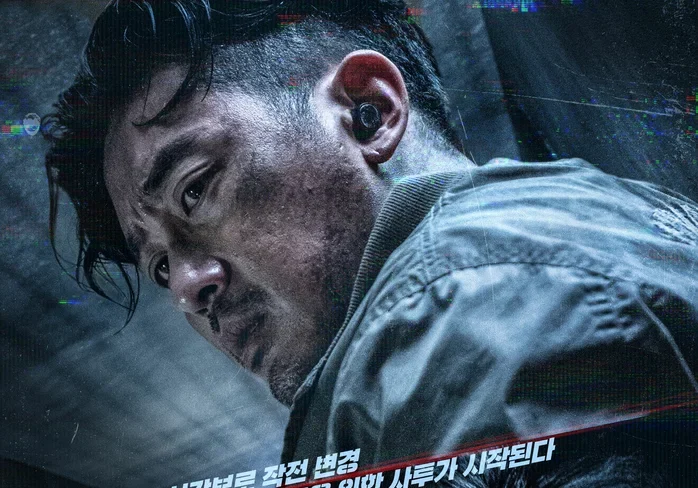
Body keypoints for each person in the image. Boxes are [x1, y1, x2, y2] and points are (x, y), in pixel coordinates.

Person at [42, 0, 698, 485]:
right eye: (160, 265)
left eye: (194, 190)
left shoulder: (456, 308)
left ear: (370, 112)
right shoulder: (573, 227)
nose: (188, 289)